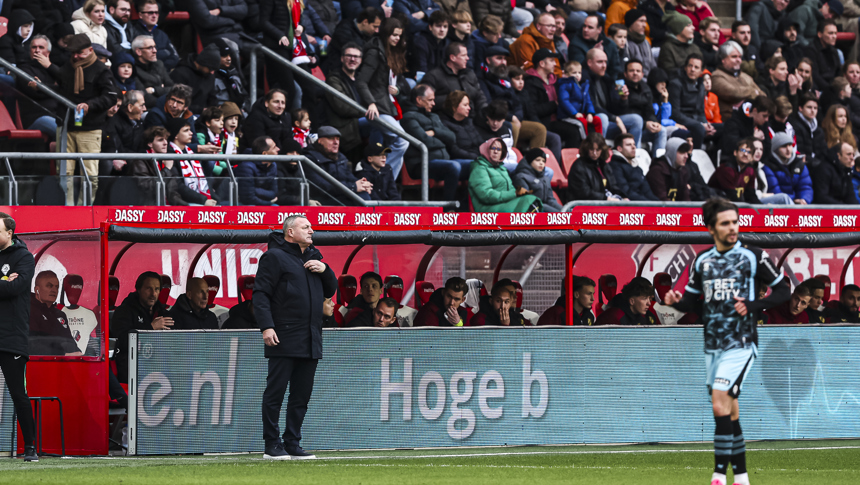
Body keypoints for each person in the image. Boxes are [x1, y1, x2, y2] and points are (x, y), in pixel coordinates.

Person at [663, 198, 790, 485]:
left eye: (735, 221)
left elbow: (783, 290)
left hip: (741, 342)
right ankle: (742, 478)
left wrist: (754, 304)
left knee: (719, 404)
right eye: (725, 223)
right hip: (713, 345)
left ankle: (718, 475)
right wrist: (675, 302)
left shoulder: (753, 256)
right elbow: (693, 304)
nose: (733, 228)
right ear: (711, 228)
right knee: (730, 410)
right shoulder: (702, 261)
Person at [257, 215, 336, 460]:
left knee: (301, 396)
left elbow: (331, 290)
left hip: (311, 337)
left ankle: (292, 442)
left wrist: (326, 270)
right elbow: (260, 295)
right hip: (283, 336)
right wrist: (267, 327)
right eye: (306, 227)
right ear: (290, 232)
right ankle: (272, 444)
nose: (312, 230)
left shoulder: (315, 258)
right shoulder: (274, 257)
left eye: (311, 227)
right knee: (275, 393)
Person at [57, 34, 120, 206]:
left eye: (80, 52)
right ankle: (67, 209)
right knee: (64, 172)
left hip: (91, 128)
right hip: (66, 126)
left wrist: (90, 105)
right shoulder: (67, 67)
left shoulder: (102, 70)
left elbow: (111, 97)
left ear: (91, 50)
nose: (75, 56)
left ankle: (84, 209)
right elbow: (58, 87)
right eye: (73, 53)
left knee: (90, 174)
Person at [0, 213, 38, 462]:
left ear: (9, 233)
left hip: (11, 337)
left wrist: (6, 283)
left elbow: (14, 288)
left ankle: (30, 447)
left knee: (17, 393)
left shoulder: (23, 257)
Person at [354, 18, 410, 179]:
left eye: (399, 35)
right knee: (403, 141)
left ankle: (386, 187)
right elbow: (361, 82)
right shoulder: (374, 52)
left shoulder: (393, 53)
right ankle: (381, 179)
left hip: (389, 106)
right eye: (393, 35)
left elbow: (402, 84)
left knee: (397, 148)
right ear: (386, 34)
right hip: (377, 108)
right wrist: (371, 103)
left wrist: (397, 90)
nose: (397, 38)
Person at [400, 84, 467, 200]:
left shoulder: (434, 116)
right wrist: (443, 140)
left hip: (442, 161)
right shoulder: (408, 118)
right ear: (419, 100)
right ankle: (447, 208)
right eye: (430, 100)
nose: (434, 104)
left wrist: (435, 132)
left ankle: (472, 209)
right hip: (421, 164)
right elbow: (425, 142)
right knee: (454, 166)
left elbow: (452, 138)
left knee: (476, 165)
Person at [110, 271, 172, 383]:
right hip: (133, 370)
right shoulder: (124, 311)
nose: (153, 293)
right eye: (149, 288)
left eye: (157, 289)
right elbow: (122, 342)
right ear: (138, 290)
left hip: (160, 370)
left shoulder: (163, 313)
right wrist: (150, 328)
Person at [304, 126, 374, 204]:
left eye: (337, 139)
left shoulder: (341, 157)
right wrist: (353, 187)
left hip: (341, 195)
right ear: (320, 141)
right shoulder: (309, 159)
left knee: (363, 194)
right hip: (324, 200)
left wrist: (362, 184)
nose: (336, 142)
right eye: (331, 139)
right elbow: (322, 187)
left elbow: (349, 177)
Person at [469, 138, 541, 212]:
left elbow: (511, 189)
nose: (496, 151)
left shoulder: (502, 169)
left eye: (499, 149)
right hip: (488, 208)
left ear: (502, 153)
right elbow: (487, 195)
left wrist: (519, 193)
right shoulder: (479, 168)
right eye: (493, 148)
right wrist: (515, 193)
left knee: (531, 199)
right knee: (528, 201)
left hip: (504, 204)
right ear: (487, 150)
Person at [325, 43, 366, 160]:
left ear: (361, 60)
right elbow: (342, 107)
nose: (352, 59)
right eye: (349, 56)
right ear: (342, 58)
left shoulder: (361, 80)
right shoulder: (334, 79)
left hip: (360, 122)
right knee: (378, 120)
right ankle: (374, 155)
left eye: (356, 57)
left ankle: (376, 156)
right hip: (346, 125)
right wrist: (366, 112)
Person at [424, 41, 489, 116]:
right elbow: (427, 100)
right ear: (452, 58)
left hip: (471, 119)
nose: (467, 58)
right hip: (446, 120)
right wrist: (453, 99)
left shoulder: (469, 74)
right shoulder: (434, 76)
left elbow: (479, 96)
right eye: (464, 55)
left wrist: (485, 112)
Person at [17, 35, 62, 140]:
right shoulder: (23, 69)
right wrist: (55, 87)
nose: (37, 50)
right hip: (36, 117)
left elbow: (67, 87)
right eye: (34, 47)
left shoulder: (54, 70)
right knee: (64, 132)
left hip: (57, 115)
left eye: (41, 47)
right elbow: (34, 92)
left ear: (48, 52)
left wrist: (49, 67)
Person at [711, 41, 765, 122]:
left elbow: (763, 97)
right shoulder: (716, 76)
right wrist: (752, 90)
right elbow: (734, 93)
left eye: (740, 57)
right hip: (729, 121)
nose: (739, 60)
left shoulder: (745, 76)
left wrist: (745, 94)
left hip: (749, 121)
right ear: (723, 59)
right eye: (734, 57)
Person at [623, 60, 666, 156]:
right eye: (631, 71)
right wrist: (645, 124)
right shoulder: (621, 87)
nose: (635, 73)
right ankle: (636, 158)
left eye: (638, 71)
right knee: (636, 120)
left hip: (642, 126)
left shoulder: (646, 89)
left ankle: (659, 165)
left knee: (662, 130)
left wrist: (654, 123)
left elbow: (650, 111)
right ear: (625, 74)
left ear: (642, 74)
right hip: (624, 127)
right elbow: (621, 110)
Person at [568, 132, 626, 201]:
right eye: (592, 149)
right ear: (586, 148)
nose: (594, 153)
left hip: (603, 202)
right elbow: (583, 192)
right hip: (585, 206)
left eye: (598, 150)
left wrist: (623, 197)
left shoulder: (604, 165)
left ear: (602, 150)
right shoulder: (578, 166)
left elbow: (613, 186)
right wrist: (606, 199)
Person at [325, 7, 383, 73]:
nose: (377, 31)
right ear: (365, 22)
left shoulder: (369, 34)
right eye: (375, 26)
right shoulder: (344, 30)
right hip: (336, 70)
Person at [763, 131, 813, 204]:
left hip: (799, 205)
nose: (788, 149)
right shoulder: (769, 166)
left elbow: (805, 187)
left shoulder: (799, 164)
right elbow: (775, 191)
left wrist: (804, 200)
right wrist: (793, 201)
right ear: (776, 149)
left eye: (790, 145)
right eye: (784, 146)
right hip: (779, 208)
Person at [720, 96, 775, 163]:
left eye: (768, 116)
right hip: (734, 163)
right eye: (764, 116)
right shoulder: (734, 122)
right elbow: (730, 145)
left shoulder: (763, 125)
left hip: (757, 164)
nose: (767, 120)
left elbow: (768, 148)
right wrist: (753, 138)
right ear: (755, 110)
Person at [570, 14, 623, 80]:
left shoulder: (609, 44)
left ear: (599, 29)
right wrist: (593, 54)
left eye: (590, 27)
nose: (585, 30)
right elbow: (579, 69)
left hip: (608, 83)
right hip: (588, 82)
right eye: (584, 26)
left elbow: (615, 70)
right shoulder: (576, 44)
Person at [557, 60, 602, 138]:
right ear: (567, 74)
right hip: (567, 115)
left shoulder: (583, 85)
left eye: (579, 73)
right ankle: (586, 141)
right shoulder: (565, 85)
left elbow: (588, 101)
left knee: (597, 120)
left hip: (580, 113)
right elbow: (564, 101)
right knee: (583, 122)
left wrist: (590, 113)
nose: (577, 75)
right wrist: (574, 113)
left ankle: (599, 140)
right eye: (574, 73)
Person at [130, 0, 179, 70]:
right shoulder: (133, 33)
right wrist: (165, 53)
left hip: (164, 74)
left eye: (156, 13)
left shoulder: (162, 34)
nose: (154, 16)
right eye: (150, 13)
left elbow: (175, 57)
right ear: (140, 15)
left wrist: (161, 69)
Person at [609, 133, 658, 201]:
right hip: (629, 208)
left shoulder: (637, 168)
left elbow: (647, 192)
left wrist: (659, 204)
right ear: (619, 148)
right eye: (629, 145)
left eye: (634, 144)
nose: (633, 147)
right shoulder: (615, 166)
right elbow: (625, 192)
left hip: (643, 205)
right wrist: (648, 204)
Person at [131, 35, 174, 109]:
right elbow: (146, 99)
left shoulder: (159, 64)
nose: (155, 51)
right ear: (138, 52)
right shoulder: (132, 70)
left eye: (155, 47)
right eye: (150, 48)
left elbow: (173, 89)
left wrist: (154, 90)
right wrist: (163, 89)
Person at [440, 90, 484, 160]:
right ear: (454, 107)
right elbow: (454, 150)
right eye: (465, 105)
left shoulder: (469, 122)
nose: (469, 108)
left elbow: (481, 143)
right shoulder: (445, 125)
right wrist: (476, 157)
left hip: (478, 158)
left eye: (469, 105)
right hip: (462, 160)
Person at [235, 136, 279, 206]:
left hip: (262, 201)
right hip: (243, 204)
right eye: (274, 148)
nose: (278, 149)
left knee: (276, 207)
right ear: (265, 154)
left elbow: (274, 193)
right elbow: (248, 198)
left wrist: (255, 190)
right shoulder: (246, 167)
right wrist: (269, 203)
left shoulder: (273, 165)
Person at [646, 136, 692, 201]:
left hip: (676, 209)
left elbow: (686, 199)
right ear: (672, 152)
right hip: (660, 210)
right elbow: (661, 198)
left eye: (687, 152)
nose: (686, 156)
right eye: (682, 152)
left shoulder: (683, 171)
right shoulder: (657, 171)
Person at [410, 11, 450, 79]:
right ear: (430, 27)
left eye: (445, 27)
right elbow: (422, 70)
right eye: (438, 26)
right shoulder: (421, 42)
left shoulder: (446, 43)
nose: (442, 30)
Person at [803, 20, 841, 90]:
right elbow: (815, 76)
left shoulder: (834, 51)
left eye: (835, 33)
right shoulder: (810, 50)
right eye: (830, 33)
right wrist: (830, 90)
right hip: (820, 89)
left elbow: (838, 73)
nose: (834, 36)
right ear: (820, 34)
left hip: (833, 88)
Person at [790, 94, 827, 163]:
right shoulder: (795, 127)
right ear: (800, 108)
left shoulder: (818, 130)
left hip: (817, 165)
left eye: (815, 108)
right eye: (809, 107)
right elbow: (799, 151)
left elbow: (823, 152)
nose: (813, 111)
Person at [625, 9, 657, 78]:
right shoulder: (624, 42)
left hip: (649, 83)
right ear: (631, 23)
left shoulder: (646, 42)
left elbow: (653, 67)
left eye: (645, 21)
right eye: (641, 21)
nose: (644, 25)